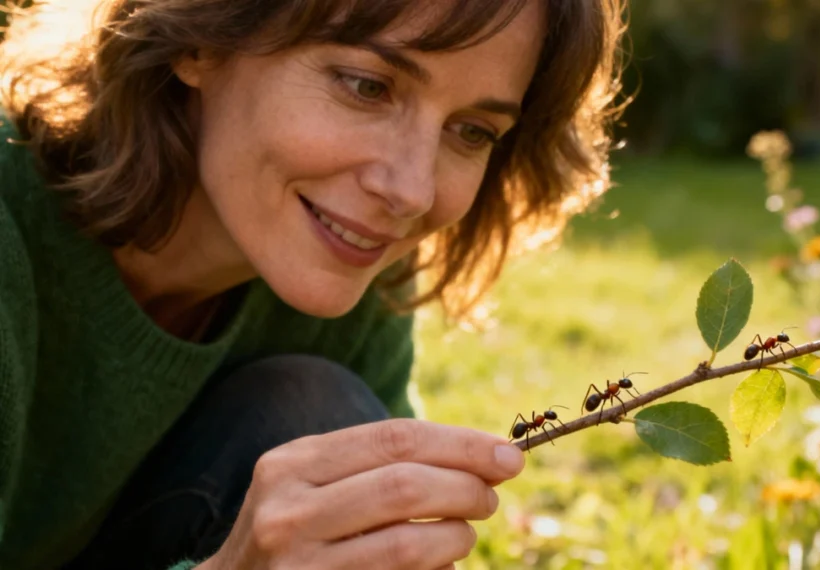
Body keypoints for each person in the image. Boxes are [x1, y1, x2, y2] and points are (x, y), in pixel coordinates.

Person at [0, 0, 624, 568]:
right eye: (367, 86)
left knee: (320, 421)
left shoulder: (346, 262)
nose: (412, 191)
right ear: (200, 40)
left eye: (471, 132)